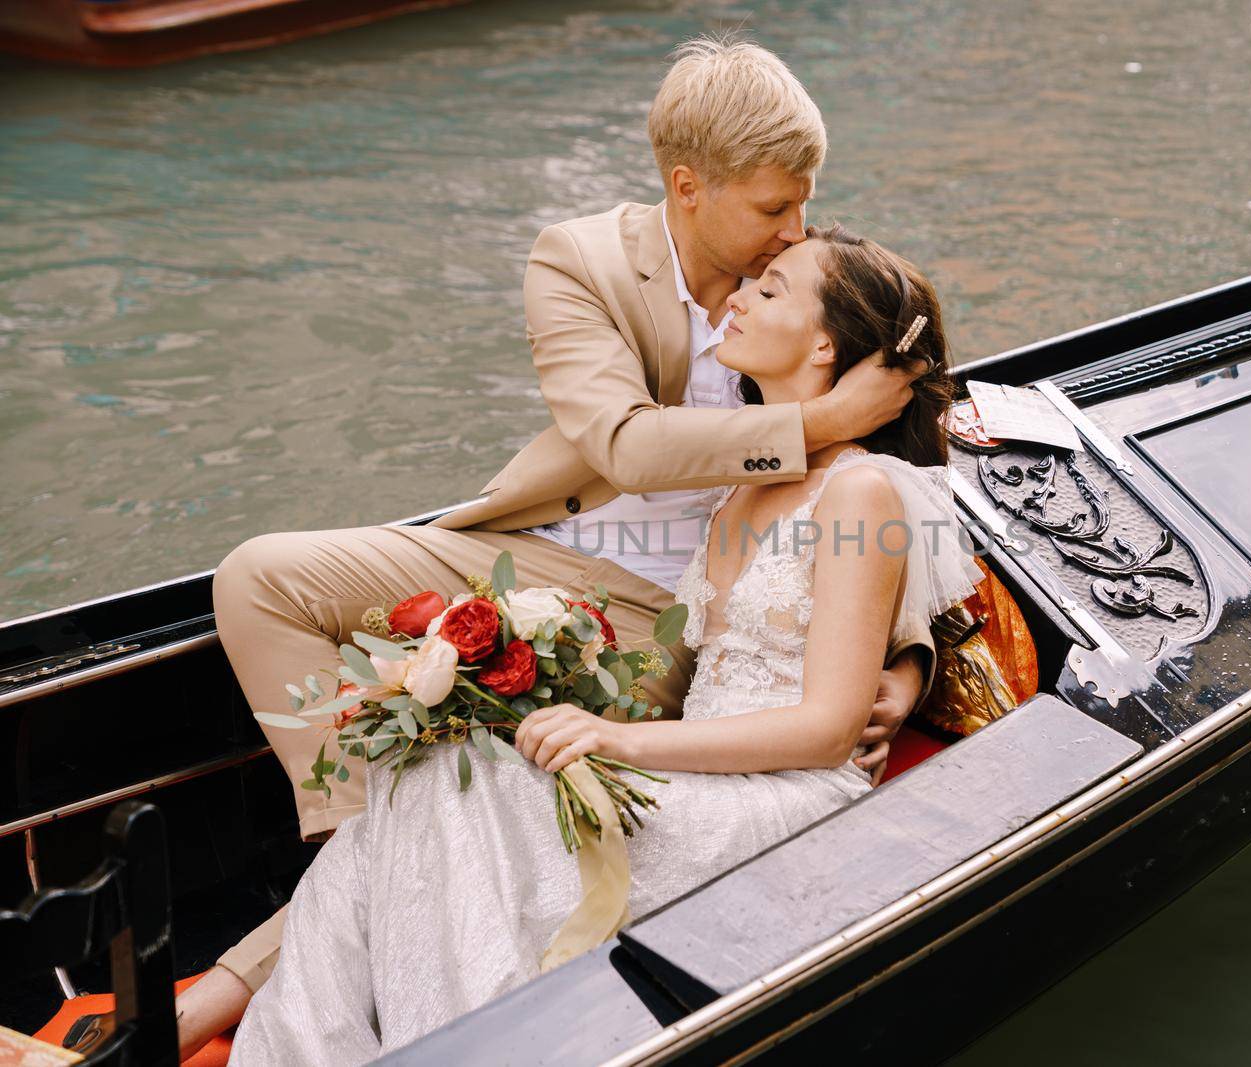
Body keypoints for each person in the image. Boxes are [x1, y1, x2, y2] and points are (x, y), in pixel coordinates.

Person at [142, 37, 934, 1062]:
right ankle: (362, 872)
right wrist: (816, 419)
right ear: (687, 187)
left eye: (801, 203)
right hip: (547, 557)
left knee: (449, 775)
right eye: (772, 209)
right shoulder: (584, 260)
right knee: (260, 580)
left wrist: (905, 663)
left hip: (675, 628)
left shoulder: (797, 289)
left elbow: (896, 483)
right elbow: (628, 447)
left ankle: (245, 979)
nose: (794, 229)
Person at [228, 222, 979, 1063]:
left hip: (785, 798)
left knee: (470, 783)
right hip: (696, 768)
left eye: (769, 292)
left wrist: (620, 737)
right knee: (436, 766)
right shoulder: (740, 487)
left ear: (825, 345)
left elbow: (828, 729)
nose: (738, 296)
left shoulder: (860, 492)